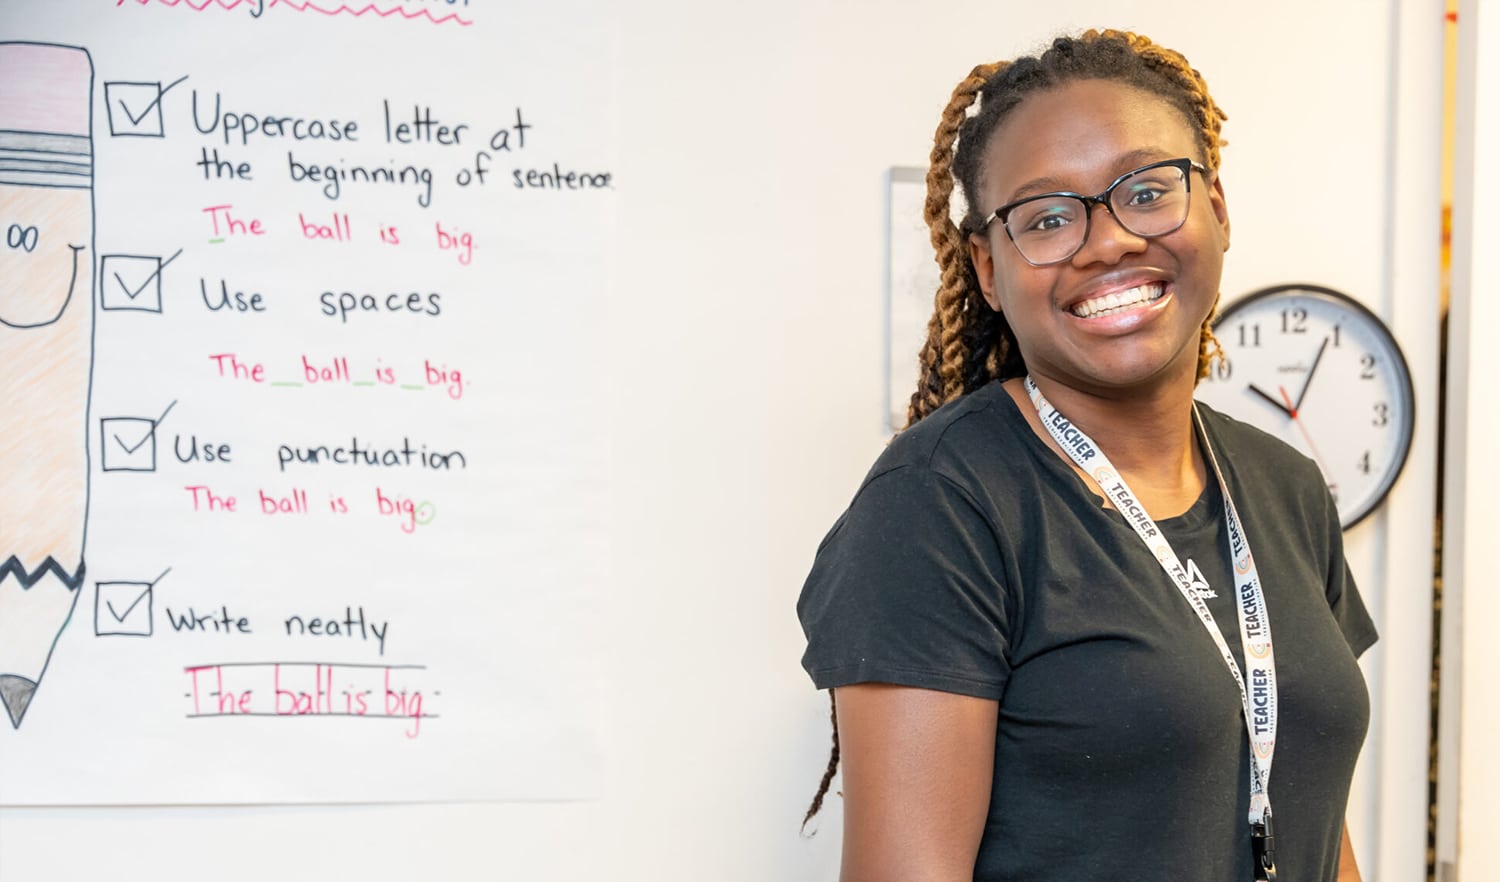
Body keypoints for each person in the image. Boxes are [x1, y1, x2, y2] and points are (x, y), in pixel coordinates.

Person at [796, 29, 1377, 882]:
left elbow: (1316, 827)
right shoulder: (938, 507)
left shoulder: (1283, 486)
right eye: (1048, 218)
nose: (1106, 242)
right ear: (988, 270)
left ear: (1217, 207)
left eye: (1145, 192)